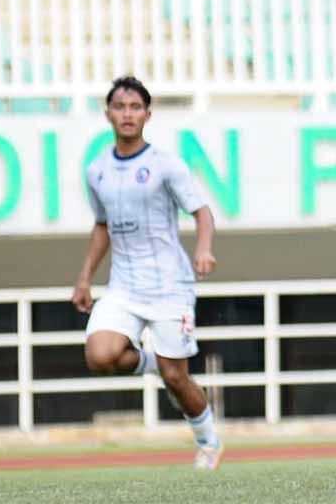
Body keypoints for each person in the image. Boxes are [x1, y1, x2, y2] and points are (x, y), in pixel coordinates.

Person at [71, 76, 223, 470]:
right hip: (123, 285)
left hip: (170, 285)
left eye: (135, 107)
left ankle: (208, 442)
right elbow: (102, 225)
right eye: (120, 107)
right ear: (108, 114)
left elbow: (201, 211)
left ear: (148, 115)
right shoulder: (97, 170)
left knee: (178, 378)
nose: (127, 114)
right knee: (99, 355)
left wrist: (204, 248)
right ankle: (152, 361)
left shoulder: (165, 165)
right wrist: (85, 277)